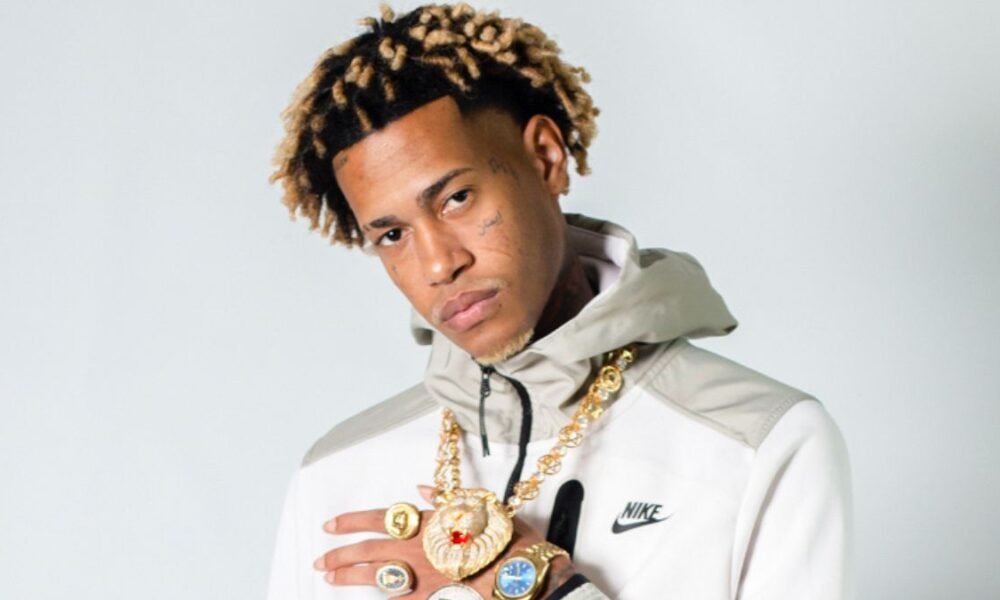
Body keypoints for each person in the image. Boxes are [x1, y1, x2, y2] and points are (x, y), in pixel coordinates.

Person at [266, 4, 853, 599]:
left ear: (546, 158)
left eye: (458, 198)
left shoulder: (758, 443)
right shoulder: (335, 474)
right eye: (393, 235)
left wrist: (543, 586)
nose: (439, 264)